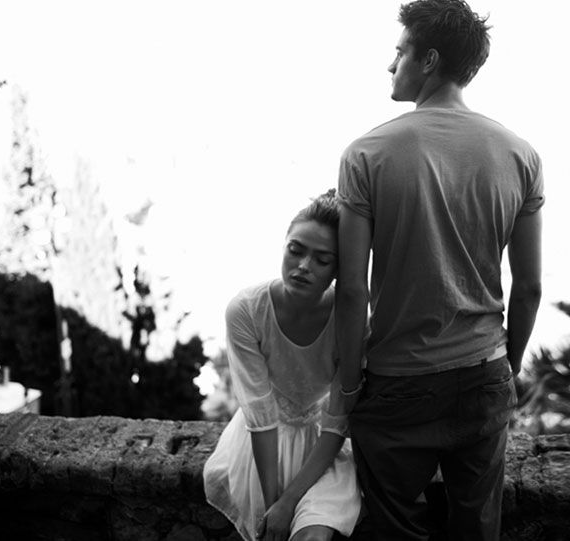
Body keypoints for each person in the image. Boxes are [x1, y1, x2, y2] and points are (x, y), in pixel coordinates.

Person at [335, 1, 544, 539]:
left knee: (394, 529)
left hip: (398, 381)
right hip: (483, 373)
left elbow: (353, 290)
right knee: (477, 530)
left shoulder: (366, 154)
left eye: (399, 51)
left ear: (428, 60)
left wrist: (349, 384)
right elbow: (529, 288)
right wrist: (507, 369)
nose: (390, 64)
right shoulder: (520, 155)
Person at [203, 189, 361, 541]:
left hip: (323, 449)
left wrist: (288, 503)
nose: (303, 265)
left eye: (322, 260)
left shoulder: (350, 320)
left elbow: (337, 420)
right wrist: (273, 502)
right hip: (260, 450)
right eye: (295, 250)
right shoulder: (247, 310)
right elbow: (260, 413)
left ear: (338, 269)